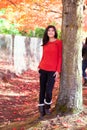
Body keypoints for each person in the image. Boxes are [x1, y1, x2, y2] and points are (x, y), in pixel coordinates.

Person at [38, 25, 62, 118]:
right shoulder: (45, 42)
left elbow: (60, 57)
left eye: (52, 30)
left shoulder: (59, 42)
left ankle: (47, 106)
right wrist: (39, 66)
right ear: (47, 32)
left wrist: (58, 70)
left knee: (49, 90)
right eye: (49, 31)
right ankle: (41, 110)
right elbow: (44, 56)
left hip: (52, 70)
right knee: (42, 89)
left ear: (55, 32)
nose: (51, 32)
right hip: (43, 69)